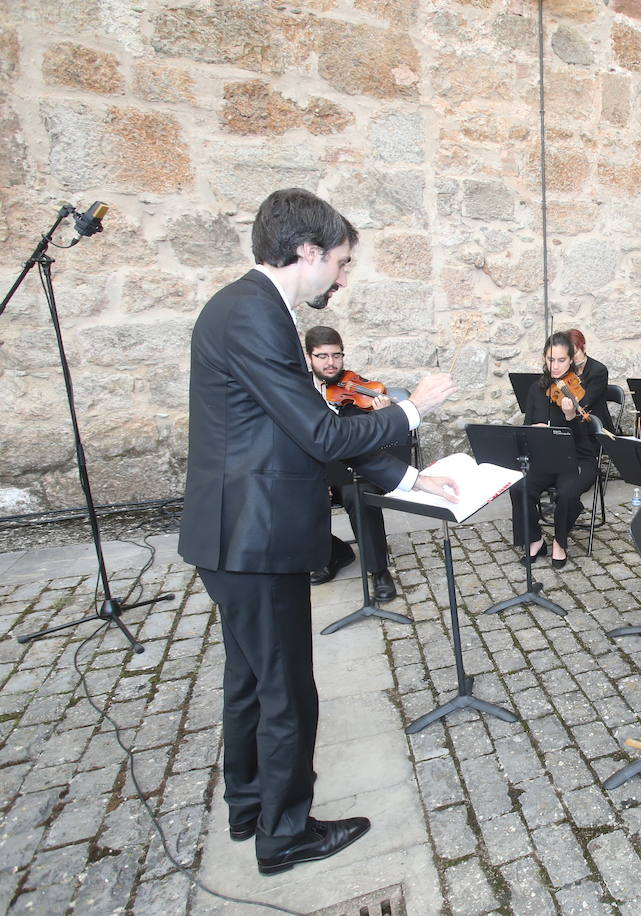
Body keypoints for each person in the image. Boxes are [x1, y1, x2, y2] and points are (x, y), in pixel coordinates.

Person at [178, 188, 460, 875]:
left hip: (237, 535)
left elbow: (308, 428)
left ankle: (249, 807)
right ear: (307, 251)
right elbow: (320, 431)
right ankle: (286, 833)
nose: (342, 275)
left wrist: (408, 481)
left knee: (249, 679)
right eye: (340, 260)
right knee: (285, 690)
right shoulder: (254, 315)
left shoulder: (249, 308)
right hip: (254, 537)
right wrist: (410, 411)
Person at [303, 325, 410, 601]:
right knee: (292, 495)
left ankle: (379, 570)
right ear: (309, 357)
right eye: (322, 356)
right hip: (317, 471)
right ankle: (334, 553)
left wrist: (385, 418)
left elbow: (383, 444)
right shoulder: (299, 393)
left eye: (336, 356)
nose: (330, 363)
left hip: (358, 469)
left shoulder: (355, 390)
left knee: (357, 495)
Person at [510, 332, 600, 569]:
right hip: (546, 458)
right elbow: (527, 427)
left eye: (562, 360)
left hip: (578, 458)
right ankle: (535, 539)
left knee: (568, 493)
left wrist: (571, 416)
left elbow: (585, 435)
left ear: (571, 360)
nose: (556, 366)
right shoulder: (535, 389)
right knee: (519, 488)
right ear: (544, 358)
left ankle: (560, 541)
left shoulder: (578, 390)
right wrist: (536, 430)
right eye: (551, 360)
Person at [566, 327, 613, 430]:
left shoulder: (599, 370)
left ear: (584, 347)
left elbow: (585, 402)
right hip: (573, 422)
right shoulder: (566, 369)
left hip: (594, 425)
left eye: (575, 353)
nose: (572, 358)